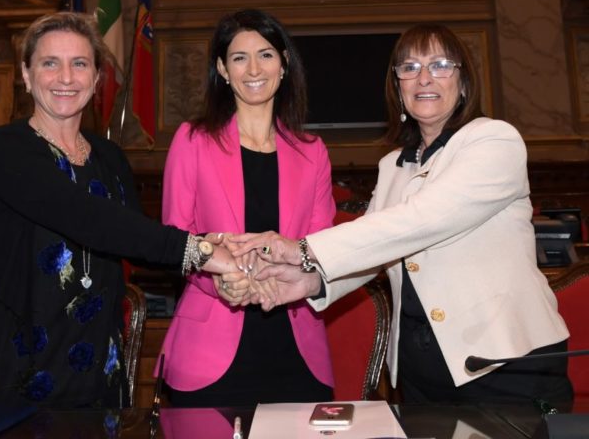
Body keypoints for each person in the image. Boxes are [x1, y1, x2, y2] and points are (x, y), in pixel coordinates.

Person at [230, 24, 573, 404]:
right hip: (420, 369)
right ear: (398, 87)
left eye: (440, 65)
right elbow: (376, 252)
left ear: (463, 83)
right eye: (409, 67)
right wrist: (309, 283)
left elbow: (423, 219)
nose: (423, 77)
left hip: (505, 364)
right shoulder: (393, 165)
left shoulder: (494, 141)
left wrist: (302, 249)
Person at [0, 12, 236, 409]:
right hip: (4, 367)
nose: (66, 78)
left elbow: (136, 240)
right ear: (27, 75)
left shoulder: (110, 158)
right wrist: (201, 250)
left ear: (97, 78)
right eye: (50, 63)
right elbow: (85, 216)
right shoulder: (5, 149)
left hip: (92, 367)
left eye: (79, 63)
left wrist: (220, 253)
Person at [156, 9, 335, 407]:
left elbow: (323, 249)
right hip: (208, 350)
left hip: (296, 349)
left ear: (283, 64)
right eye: (239, 57)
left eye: (266, 54)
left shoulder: (313, 152)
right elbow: (173, 241)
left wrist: (286, 270)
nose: (254, 69)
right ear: (223, 69)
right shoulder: (192, 140)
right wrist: (220, 281)